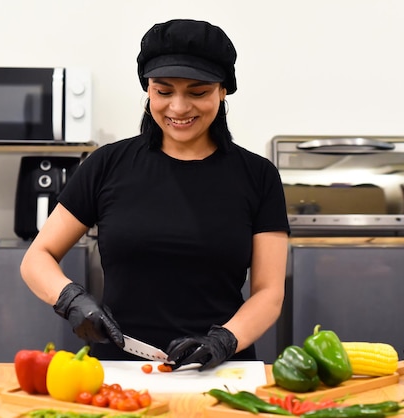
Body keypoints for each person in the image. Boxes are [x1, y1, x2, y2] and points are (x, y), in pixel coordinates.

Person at [20, 18, 290, 371]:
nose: (179, 108)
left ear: (223, 90)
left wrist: (223, 341)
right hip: (121, 368)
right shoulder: (108, 164)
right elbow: (37, 257)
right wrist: (71, 299)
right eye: (164, 91)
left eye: (198, 92)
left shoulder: (258, 176)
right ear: (148, 89)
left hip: (221, 369)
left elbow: (269, 292)